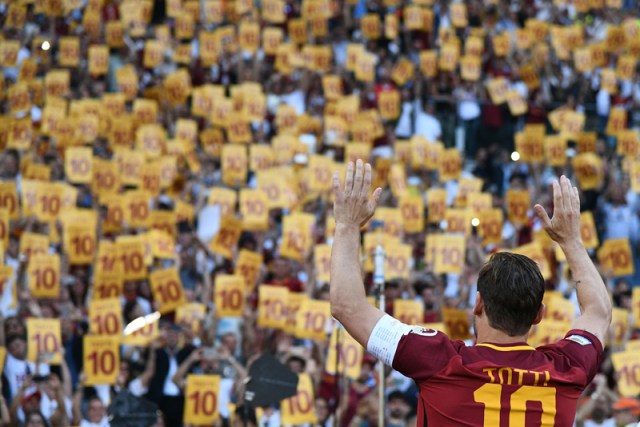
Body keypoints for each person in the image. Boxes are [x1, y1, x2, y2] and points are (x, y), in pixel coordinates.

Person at [330, 160, 612, 426]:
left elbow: (347, 306)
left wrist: (347, 224)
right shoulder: (567, 369)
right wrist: (572, 241)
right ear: (539, 315)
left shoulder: (439, 361)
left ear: (478, 303)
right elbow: (599, 311)